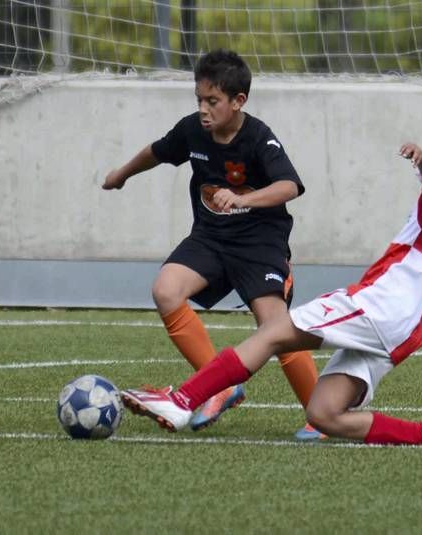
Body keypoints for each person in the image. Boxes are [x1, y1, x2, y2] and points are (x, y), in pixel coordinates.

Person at [121, 129, 422, 446]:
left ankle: (182, 401)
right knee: (325, 414)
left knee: (273, 332)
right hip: (405, 333)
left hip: (379, 307)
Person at [102, 49, 323, 440]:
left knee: (276, 327)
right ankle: (218, 386)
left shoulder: (258, 137)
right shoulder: (192, 130)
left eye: (213, 101)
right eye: (199, 100)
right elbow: (156, 152)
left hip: (259, 244)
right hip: (209, 238)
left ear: (239, 102)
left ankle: (321, 416)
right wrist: (121, 174)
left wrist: (242, 199)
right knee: (166, 290)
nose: (204, 109)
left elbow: (290, 185)